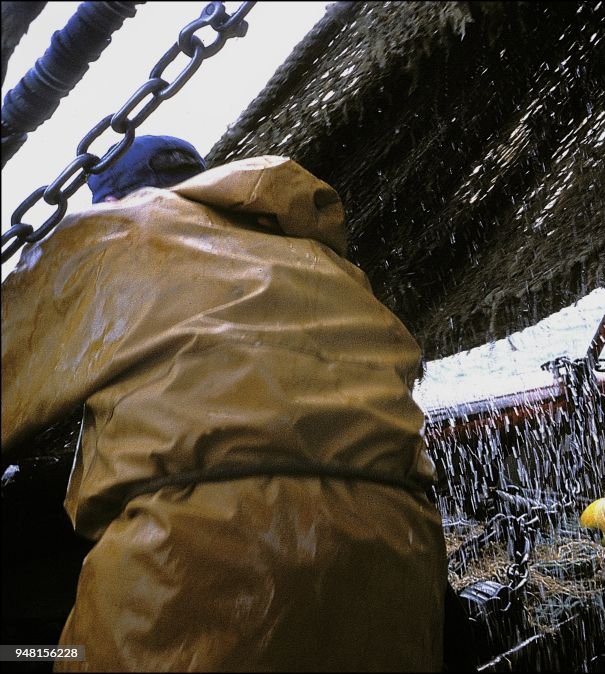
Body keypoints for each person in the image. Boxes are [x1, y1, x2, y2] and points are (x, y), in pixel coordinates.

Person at [1, 136, 446, 671]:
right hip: (400, 555)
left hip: (198, 559)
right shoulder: (326, 266)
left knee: (28, 653)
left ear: (109, 200)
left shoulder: (104, 236)